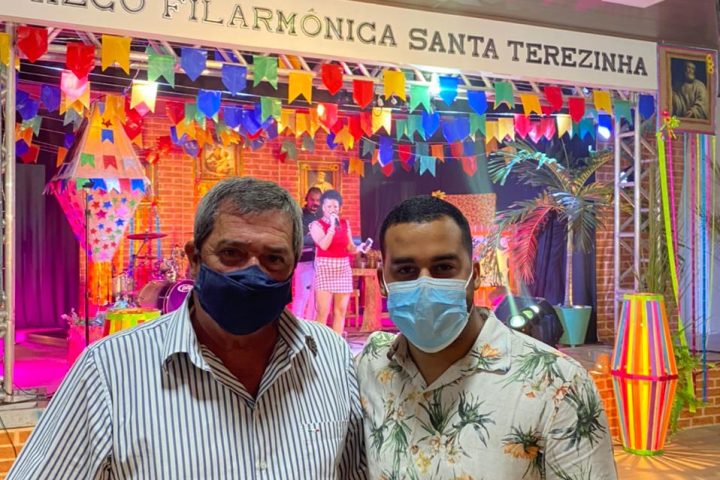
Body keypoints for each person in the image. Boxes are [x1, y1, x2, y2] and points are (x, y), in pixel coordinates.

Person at [8, 178, 367, 479]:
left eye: (273, 259)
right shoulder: (109, 372)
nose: (252, 272)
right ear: (194, 259)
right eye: (231, 254)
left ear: (293, 265)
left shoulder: (331, 359)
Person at [356, 196, 616, 480]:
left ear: (476, 274)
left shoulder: (558, 384)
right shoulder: (370, 366)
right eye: (406, 271)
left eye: (443, 267)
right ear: (382, 281)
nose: (425, 284)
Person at [310, 190, 369, 335]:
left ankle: (337, 342)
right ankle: (320, 342)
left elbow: (349, 247)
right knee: (323, 312)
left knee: (340, 311)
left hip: (342, 268)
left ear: (339, 208)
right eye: (329, 206)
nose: (332, 210)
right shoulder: (316, 225)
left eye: (335, 207)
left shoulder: (344, 224)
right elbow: (324, 245)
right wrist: (331, 227)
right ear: (323, 208)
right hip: (324, 268)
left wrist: (360, 248)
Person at [291, 186, 321, 320]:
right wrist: (319, 239)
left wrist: (314, 238)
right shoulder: (299, 216)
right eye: (312, 200)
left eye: (318, 200)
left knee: (316, 298)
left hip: (321, 263)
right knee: (302, 295)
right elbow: (299, 239)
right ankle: (296, 325)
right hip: (304, 261)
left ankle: (311, 327)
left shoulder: (323, 216)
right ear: (306, 200)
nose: (315, 203)